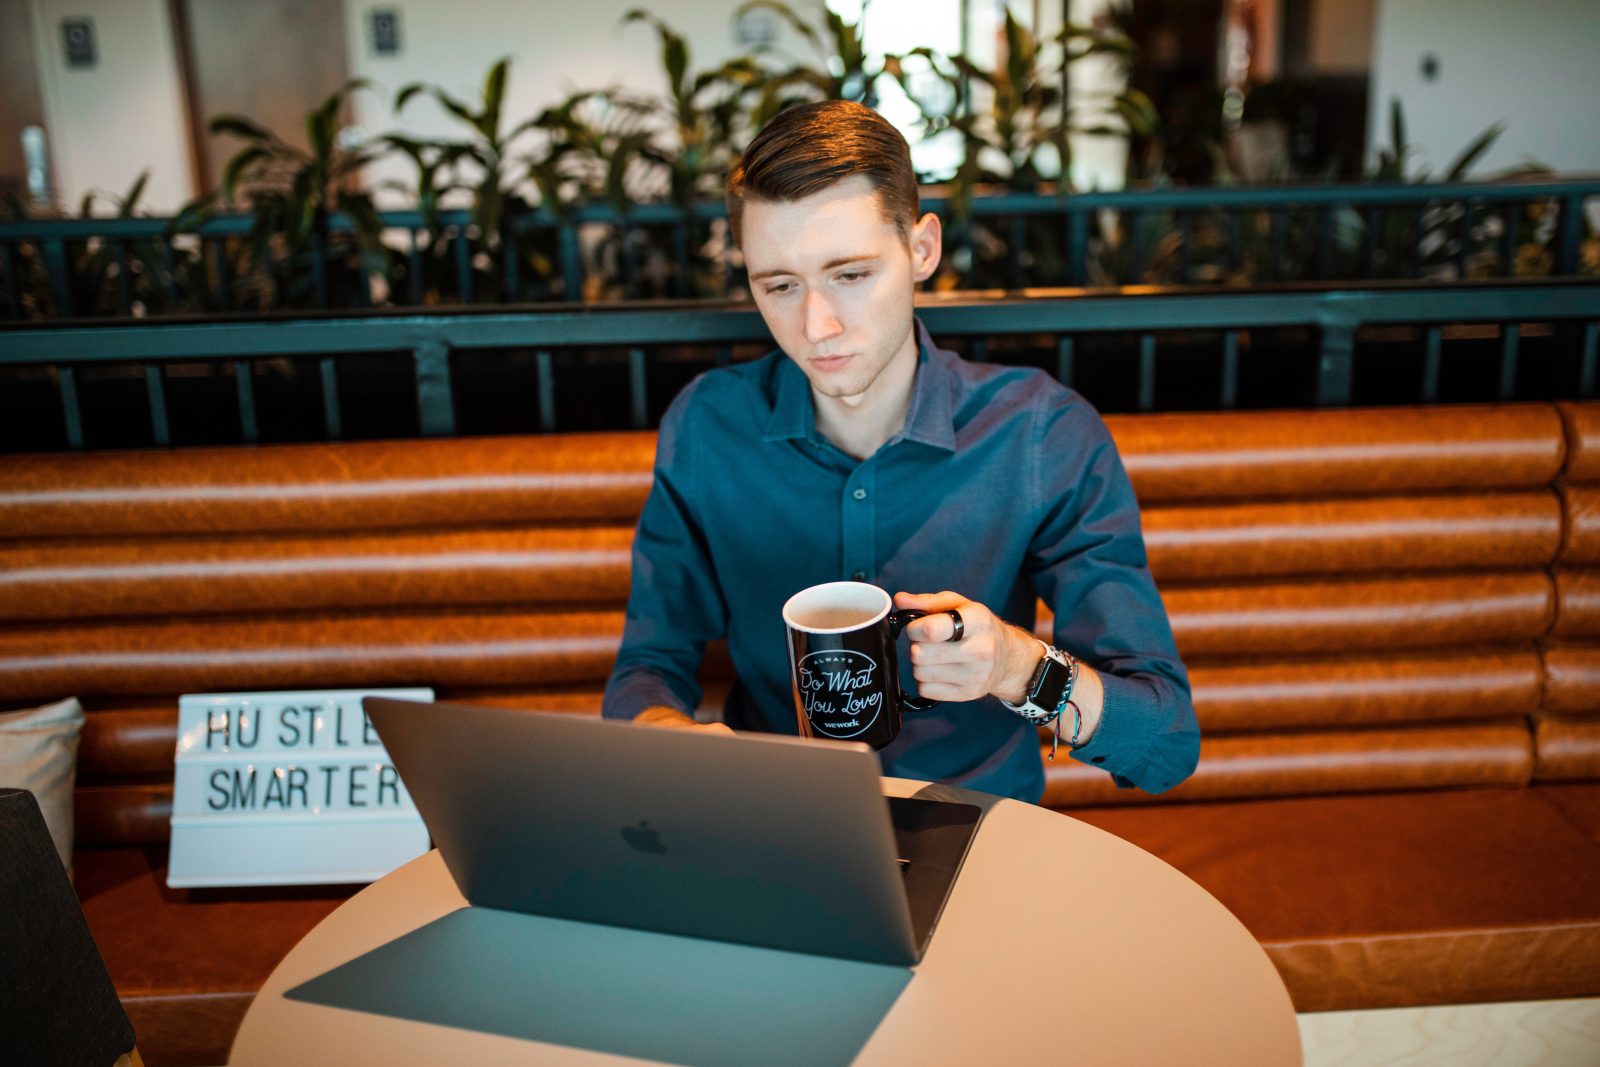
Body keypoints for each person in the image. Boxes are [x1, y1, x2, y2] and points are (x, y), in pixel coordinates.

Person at [602, 99, 1198, 801]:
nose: (816, 325)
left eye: (850, 275)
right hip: (776, 817)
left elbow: (1164, 742)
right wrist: (669, 732)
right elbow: (649, 662)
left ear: (922, 250)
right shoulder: (708, 427)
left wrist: (1017, 667)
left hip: (979, 826)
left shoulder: (1040, 432)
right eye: (780, 285)